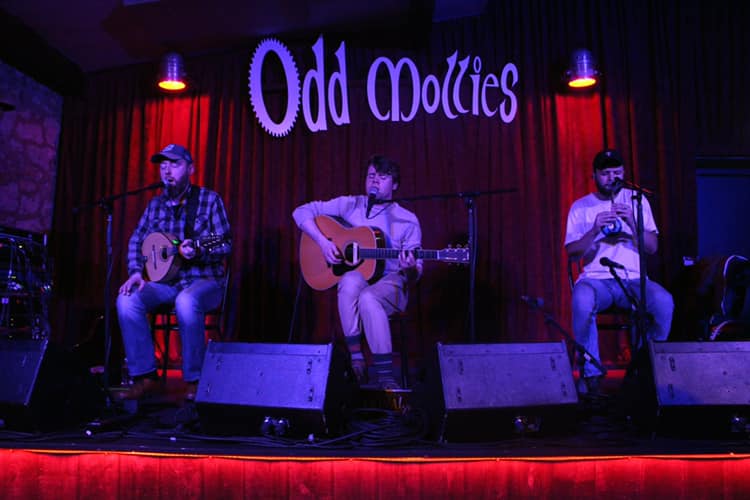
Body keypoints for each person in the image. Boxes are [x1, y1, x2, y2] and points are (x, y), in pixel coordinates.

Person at [293, 155, 422, 390]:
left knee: (368, 297)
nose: (375, 182)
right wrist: (322, 242)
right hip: (361, 281)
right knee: (350, 279)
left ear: (394, 185)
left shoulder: (407, 220)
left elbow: (415, 273)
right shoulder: (350, 204)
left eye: (382, 178)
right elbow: (300, 212)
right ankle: (357, 358)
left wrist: (410, 267)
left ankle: (385, 377)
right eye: (371, 176)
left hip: (392, 284)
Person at [116, 144, 231, 401]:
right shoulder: (155, 205)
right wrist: (136, 271)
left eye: (174, 164)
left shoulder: (209, 200)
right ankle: (144, 377)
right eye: (163, 165)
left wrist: (199, 249)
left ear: (190, 168)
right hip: (167, 284)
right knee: (127, 299)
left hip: (205, 282)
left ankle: (195, 381)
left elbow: (225, 241)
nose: (167, 170)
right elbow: (136, 239)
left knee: (186, 301)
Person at [564, 149, 673, 394]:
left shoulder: (637, 200)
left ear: (624, 173)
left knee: (664, 303)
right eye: (605, 173)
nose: (612, 177)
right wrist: (593, 230)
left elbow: (652, 248)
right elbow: (572, 253)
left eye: (617, 172)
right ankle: (590, 375)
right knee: (581, 300)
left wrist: (633, 223)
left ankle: (644, 368)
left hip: (634, 280)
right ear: (594, 175)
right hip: (596, 281)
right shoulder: (581, 207)